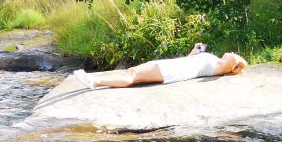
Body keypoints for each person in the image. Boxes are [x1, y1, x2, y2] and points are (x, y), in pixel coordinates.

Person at [64, 44, 248, 92]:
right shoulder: (215, 62)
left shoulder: (220, 68)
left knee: (133, 74)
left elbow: (231, 65)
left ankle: (95, 81)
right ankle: (95, 80)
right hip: (172, 68)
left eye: (233, 55)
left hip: (171, 71)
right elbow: (190, 61)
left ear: (233, 64)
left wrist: (238, 65)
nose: (231, 52)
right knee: (133, 71)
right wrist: (195, 51)